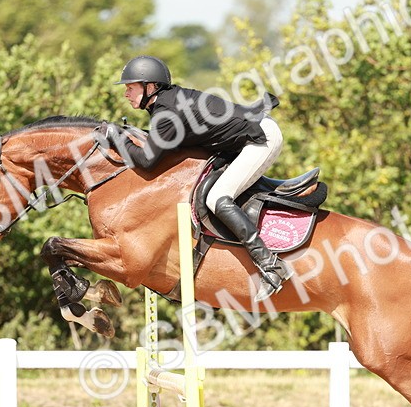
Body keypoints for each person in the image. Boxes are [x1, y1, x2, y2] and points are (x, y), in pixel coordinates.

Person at [106, 55, 292, 301]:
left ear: (150, 87)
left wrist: (117, 138)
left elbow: (147, 161)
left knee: (217, 197)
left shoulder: (167, 111)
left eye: (131, 87)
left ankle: (271, 265)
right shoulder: (166, 104)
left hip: (260, 138)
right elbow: (160, 145)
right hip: (241, 139)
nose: (126, 94)